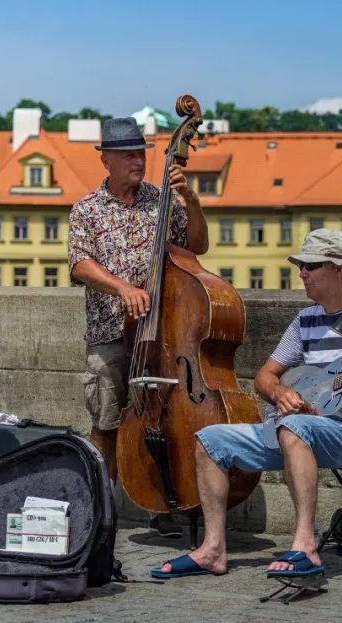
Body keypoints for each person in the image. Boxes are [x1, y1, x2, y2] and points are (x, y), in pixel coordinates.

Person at [153, 229, 342, 580]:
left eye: (311, 265)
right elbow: (266, 376)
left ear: (340, 268)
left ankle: (305, 546)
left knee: (293, 428)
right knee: (210, 439)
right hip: (301, 429)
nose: (302, 272)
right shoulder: (305, 319)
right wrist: (281, 394)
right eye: (300, 265)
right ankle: (213, 550)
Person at [68, 116, 210, 538]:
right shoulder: (87, 209)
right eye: (128, 154)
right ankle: (100, 506)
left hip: (163, 334)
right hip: (111, 331)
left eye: (141, 154)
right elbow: (80, 264)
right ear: (106, 159)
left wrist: (193, 202)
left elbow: (196, 247)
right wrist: (122, 288)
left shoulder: (160, 200)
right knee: (107, 422)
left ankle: (165, 503)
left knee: (166, 418)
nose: (138, 161)